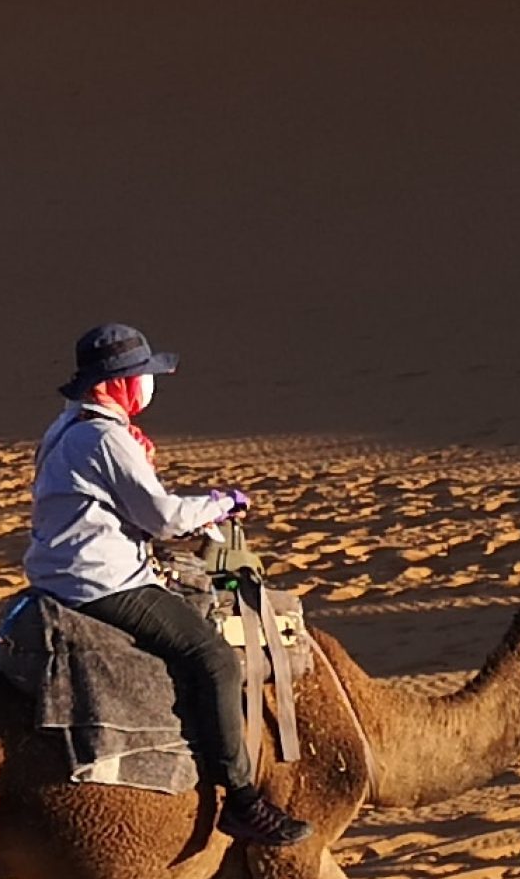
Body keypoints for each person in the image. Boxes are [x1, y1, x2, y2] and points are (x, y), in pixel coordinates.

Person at [26, 324, 311, 845]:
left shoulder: (67, 427)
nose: (148, 386)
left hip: (59, 572)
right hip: (103, 582)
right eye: (141, 376)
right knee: (216, 660)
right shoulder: (106, 438)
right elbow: (161, 517)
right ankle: (243, 799)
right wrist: (224, 501)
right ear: (112, 385)